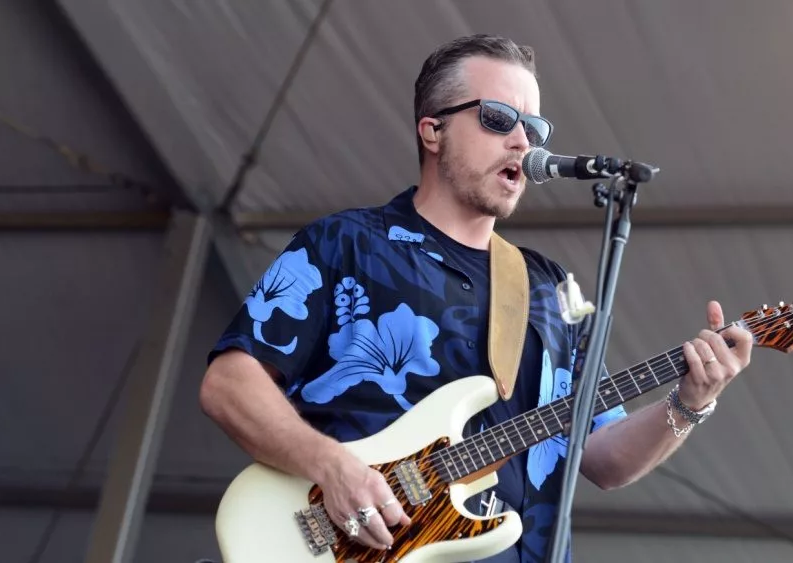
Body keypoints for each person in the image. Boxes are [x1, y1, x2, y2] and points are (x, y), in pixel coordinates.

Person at [199, 33, 753, 563]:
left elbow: (603, 457)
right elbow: (230, 385)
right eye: (497, 119)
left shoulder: (551, 291)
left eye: (534, 127)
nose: (522, 142)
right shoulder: (345, 243)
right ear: (432, 131)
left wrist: (691, 400)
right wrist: (331, 466)